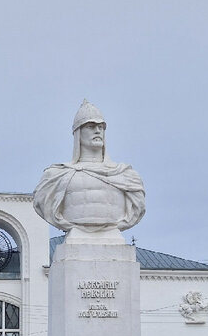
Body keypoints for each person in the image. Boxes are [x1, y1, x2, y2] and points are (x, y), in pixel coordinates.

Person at [32, 100, 146, 241]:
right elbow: (41, 203)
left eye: (101, 127)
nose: (97, 131)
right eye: (91, 126)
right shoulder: (57, 175)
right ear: (78, 132)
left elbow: (138, 207)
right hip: (74, 240)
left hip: (114, 238)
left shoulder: (126, 175)